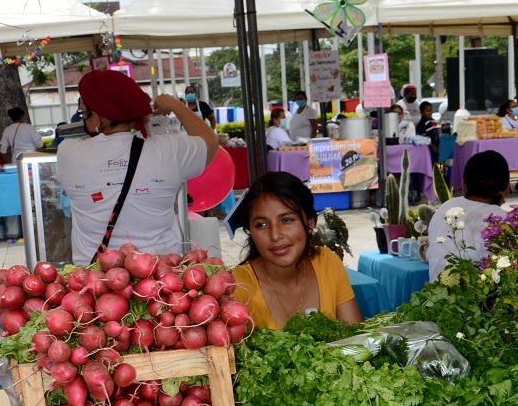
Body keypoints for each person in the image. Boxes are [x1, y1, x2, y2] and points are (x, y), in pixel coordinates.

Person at [56, 68, 218, 265]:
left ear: (98, 117)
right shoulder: (168, 149)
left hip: (95, 282)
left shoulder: (69, 152)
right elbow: (209, 141)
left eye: (85, 112)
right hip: (161, 276)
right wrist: (175, 105)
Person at [232, 171, 362, 331]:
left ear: (310, 221)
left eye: (286, 220)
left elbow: (357, 338)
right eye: (261, 224)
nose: (275, 235)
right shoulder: (237, 286)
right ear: (251, 231)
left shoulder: (327, 262)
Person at [426, 150, 510, 281]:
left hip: (434, 296)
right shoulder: (502, 220)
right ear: (506, 188)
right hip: (476, 298)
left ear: (464, 185)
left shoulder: (445, 208)